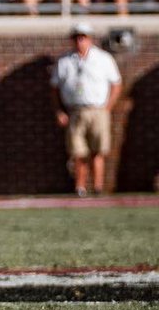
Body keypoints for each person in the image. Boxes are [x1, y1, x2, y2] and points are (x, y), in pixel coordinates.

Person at [50, 23, 122, 197]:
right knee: (78, 152)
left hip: (98, 110)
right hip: (74, 110)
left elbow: (116, 84)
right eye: (76, 37)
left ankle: (97, 188)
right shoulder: (65, 61)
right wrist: (59, 111)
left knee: (98, 151)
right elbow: (54, 88)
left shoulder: (103, 58)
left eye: (83, 37)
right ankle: (80, 188)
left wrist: (108, 107)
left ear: (90, 38)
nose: (79, 41)